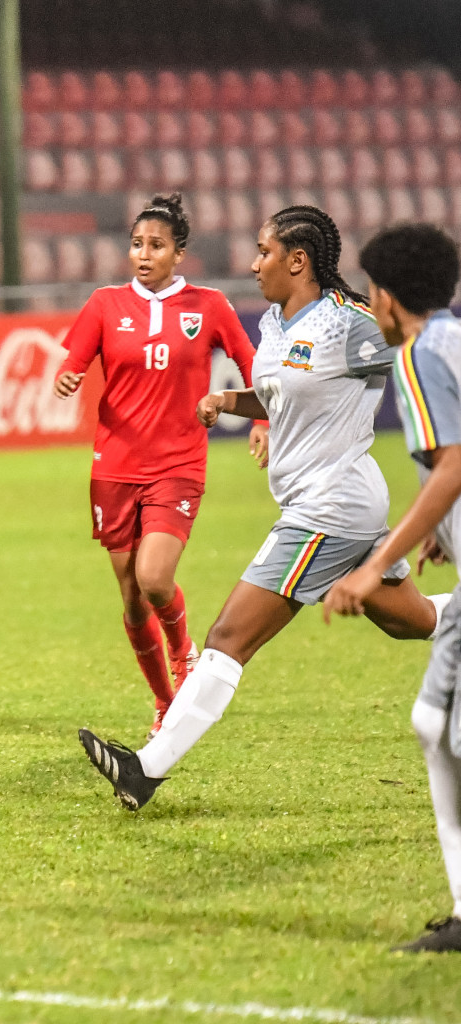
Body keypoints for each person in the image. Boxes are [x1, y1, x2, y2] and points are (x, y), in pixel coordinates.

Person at [78, 205, 448, 810]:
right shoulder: (277, 325)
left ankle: (144, 768)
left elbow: (418, 347)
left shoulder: (348, 325)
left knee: (227, 637)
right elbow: (283, 398)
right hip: (335, 506)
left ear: (297, 261)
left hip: (327, 508)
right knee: (412, 621)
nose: (252, 264)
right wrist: (229, 400)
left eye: (264, 252)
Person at [55, 193, 261, 738]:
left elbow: (251, 362)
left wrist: (260, 419)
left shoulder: (208, 305)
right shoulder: (104, 305)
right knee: (129, 596)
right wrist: (68, 377)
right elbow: (72, 363)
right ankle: (165, 702)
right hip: (114, 466)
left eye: (156, 246)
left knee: (154, 578)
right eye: (137, 244)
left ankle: (184, 652)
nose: (143, 254)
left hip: (178, 463)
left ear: (179, 253)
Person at [325, 223, 461, 954]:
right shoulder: (455, 341)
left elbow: (452, 466)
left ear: (385, 296)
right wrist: (446, 529)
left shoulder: (415, 359)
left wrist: (378, 565)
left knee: (441, 729)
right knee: (435, 727)